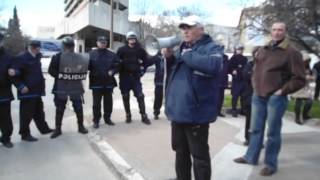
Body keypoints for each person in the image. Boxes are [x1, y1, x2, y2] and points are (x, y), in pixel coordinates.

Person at [234, 22, 306, 176]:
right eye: (274, 29)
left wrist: (282, 91)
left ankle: (270, 164)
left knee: (273, 133)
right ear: (271, 31)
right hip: (258, 96)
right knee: (255, 130)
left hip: (275, 98)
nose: (277, 32)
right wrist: (254, 85)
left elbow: (300, 79)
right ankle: (250, 157)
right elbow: (256, 69)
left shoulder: (291, 52)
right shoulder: (263, 50)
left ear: (285, 32)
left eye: (280, 30)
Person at [162, 15, 223, 180]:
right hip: (178, 111)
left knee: (199, 156)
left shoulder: (212, 47)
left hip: (196, 113)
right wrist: (169, 58)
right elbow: (175, 73)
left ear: (201, 29)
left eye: (189, 27)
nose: (185, 31)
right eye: (183, 28)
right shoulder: (181, 48)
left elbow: (214, 66)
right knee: (180, 152)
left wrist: (187, 56)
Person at [9, 40, 53, 142]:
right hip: (27, 91)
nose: (39, 49)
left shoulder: (37, 57)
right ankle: (25, 134)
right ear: (32, 47)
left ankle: (44, 129)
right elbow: (14, 75)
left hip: (37, 90)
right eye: (37, 47)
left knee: (39, 112)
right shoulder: (21, 58)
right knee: (26, 114)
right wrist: (20, 86)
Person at [49, 36, 89, 139]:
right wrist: (60, 75)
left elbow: (83, 69)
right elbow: (51, 70)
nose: (69, 48)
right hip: (61, 85)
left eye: (70, 46)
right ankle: (58, 129)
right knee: (60, 108)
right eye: (67, 46)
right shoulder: (57, 57)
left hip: (75, 85)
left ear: (73, 46)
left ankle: (80, 126)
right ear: (63, 46)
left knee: (78, 107)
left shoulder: (79, 57)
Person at [117, 31, 151, 125]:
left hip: (135, 78)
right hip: (124, 78)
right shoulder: (121, 50)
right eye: (130, 38)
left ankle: (144, 116)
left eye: (134, 38)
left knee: (140, 96)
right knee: (125, 96)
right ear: (127, 39)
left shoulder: (140, 50)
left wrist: (142, 71)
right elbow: (116, 62)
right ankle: (128, 115)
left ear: (136, 39)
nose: (132, 40)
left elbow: (146, 62)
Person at [89, 36, 120, 128]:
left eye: (104, 42)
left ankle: (107, 118)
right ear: (97, 43)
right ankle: (96, 120)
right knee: (96, 103)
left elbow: (118, 65)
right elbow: (85, 66)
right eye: (101, 42)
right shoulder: (91, 54)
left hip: (108, 82)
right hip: (96, 82)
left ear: (106, 43)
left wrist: (113, 71)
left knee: (108, 102)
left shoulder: (112, 54)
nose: (103, 43)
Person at [291, 52, 316, 124]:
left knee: (309, 102)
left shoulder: (309, 69)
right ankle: (297, 117)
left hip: (306, 88)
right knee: (299, 103)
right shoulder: (296, 68)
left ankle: (305, 115)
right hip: (298, 88)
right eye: (305, 61)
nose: (306, 62)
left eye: (308, 61)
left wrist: (311, 77)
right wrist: (304, 77)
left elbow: (313, 77)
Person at [241, 47, 258, 145]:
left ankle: (257, 139)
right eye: (257, 53)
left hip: (261, 96)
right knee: (250, 119)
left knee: (260, 120)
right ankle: (248, 138)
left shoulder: (265, 65)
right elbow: (246, 75)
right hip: (250, 95)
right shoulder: (249, 64)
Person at [0, 33, 14, 148]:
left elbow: (14, 75)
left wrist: (14, 73)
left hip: (3, 94)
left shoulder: (8, 57)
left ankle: (6, 138)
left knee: (5, 118)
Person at [228, 45, 248, 117]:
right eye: (238, 49)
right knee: (235, 96)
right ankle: (234, 110)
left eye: (241, 49)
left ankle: (243, 110)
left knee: (244, 96)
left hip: (243, 79)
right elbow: (229, 68)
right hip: (236, 80)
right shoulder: (233, 58)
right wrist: (232, 71)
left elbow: (246, 67)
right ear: (236, 50)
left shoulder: (245, 59)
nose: (240, 51)